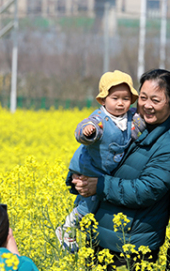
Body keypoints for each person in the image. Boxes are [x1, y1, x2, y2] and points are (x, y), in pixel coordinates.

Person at [69, 69, 170, 270]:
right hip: (98, 239)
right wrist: (77, 179)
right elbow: (96, 155)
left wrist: (99, 185)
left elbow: (147, 190)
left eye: (156, 100)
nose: (147, 105)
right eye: (143, 98)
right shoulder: (127, 123)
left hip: (132, 247)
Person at [56, 70, 146, 252]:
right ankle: (67, 228)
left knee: (96, 203)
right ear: (103, 100)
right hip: (91, 168)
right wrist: (88, 131)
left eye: (126, 98)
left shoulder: (131, 117)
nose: (121, 103)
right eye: (115, 98)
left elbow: (142, 124)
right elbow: (82, 129)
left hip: (108, 171)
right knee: (90, 202)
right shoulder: (99, 119)